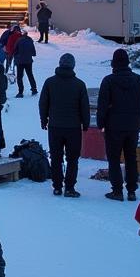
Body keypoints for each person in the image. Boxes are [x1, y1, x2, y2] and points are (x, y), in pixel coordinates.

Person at [97, 48, 140, 201]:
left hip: (113, 127)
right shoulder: (139, 80)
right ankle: (132, 191)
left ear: (113, 64)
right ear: (128, 63)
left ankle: (117, 191)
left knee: (113, 159)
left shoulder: (108, 81)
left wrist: (101, 125)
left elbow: (102, 106)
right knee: (131, 158)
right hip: (133, 127)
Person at [39, 53, 90, 197]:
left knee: (56, 157)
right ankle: (69, 188)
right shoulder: (79, 84)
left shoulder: (50, 82)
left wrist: (44, 120)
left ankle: (56, 186)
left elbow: (43, 103)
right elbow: (84, 107)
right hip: (73, 128)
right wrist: (85, 124)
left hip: (55, 126)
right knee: (72, 159)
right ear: (73, 66)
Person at [13, 29, 37, 97]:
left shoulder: (18, 40)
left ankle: (20, 92)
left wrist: (16, 56)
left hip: (20, 61)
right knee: (30, 75)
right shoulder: (30, 40)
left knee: (19, 77)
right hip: (29, 61)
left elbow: (15, 50)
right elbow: (34, 53)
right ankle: (34, 89)